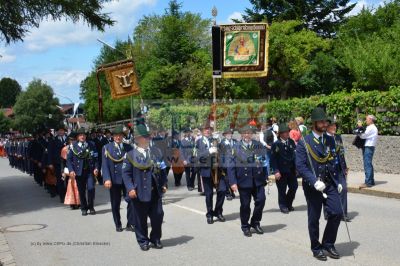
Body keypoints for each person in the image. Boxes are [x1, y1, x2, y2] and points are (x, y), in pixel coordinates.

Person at [296, 107, 342, 261]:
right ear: (314, 123)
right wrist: (314, 181)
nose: (324, 124)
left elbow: (334, 161)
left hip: (330, 183)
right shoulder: (305, 142)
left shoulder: (330, 139)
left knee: (336, 212)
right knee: (314, 219)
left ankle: (328, 243)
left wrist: (339, 180)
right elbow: (301, 166)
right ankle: (316, 247)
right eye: (321, 121)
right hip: (314, 186)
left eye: (325, 121)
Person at [122, 124, 168, 251]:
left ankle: (155, 238)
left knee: (158, 216)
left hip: (155, 191)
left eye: (148, 137)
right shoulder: (130, 155)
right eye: (144, 137)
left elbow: (163, 169)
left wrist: (164, 184)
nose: (147, 139)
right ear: (137, 139)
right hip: (139, 192)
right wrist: (130, 188)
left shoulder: (156, 152)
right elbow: (126, 174)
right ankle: (143, 240)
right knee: (140, 218)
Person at [228, 125, 268, 237]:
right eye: (245, 133)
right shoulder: (235, 147)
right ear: (241, 134)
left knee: (261, 200)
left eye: (249, 133)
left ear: (252, 134)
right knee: (245, 205)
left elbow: (264, 162)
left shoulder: (258, 145)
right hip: (243, 180)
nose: (247, 135)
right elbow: (230, 167)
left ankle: (255, 222)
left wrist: (265, 176)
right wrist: (233, 182)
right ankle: (245, 226)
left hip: (258, 180)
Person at [102, 126, 134, 232]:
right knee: (115, 203)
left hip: (127, 180)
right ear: (113, 137)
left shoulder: (129, 147)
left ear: (123, 136)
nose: (118, 137)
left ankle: (131, 222)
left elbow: (133, 164)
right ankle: (118, 223)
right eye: (116, 135)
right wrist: (107, 179)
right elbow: (105, 165)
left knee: (131, 200)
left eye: (120, 135)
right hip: (114, 179)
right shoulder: (107, 148)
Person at [196, 124, 226, 224]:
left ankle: (218, 211)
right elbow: (198, 156)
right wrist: (208, 151)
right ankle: (209, 214)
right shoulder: (199, 142)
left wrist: (220, 141)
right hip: (206, 171)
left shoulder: (215, 140)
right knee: (209, 194)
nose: (208, 131)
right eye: (206, 129)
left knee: (222, 190)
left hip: (217, 169)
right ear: (202, 131)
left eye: (209, 129)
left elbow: (224, 150)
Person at [67, 128, 99, 216]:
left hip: (90, 171)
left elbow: (96, 158)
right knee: (81, 191)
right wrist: (71, 170)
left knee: (91, 189)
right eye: (80, 135)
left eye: (84, 135)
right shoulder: (73, 146)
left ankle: (91, 206)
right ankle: (83, 207)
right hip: (79, 172)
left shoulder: (91, 144)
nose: (82, 136)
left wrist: (96, 168)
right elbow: (69, 160)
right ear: (77, 137)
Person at [270, 122, 298, 214]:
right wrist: (276, 171)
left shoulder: (291, 142)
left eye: (288, 132)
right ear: (281, 134)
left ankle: (288, 203)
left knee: (294, 187)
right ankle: (283, 206)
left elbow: (294, 156)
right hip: (281, 171)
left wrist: (297, 168)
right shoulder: (276, 144)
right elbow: (273, 159)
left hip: (291, 170)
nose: (287, 133)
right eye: (285, 132)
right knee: (282, 190)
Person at [326, 118, 350, 222]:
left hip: (339, 167)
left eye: (335, 126)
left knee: (343, 189)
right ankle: (328, 212)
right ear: (327, 127)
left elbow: (341, 152)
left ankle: (343, 214)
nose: (334, 127)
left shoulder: (338, 137)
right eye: (332, 126)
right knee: (328, 191)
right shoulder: (324, 138)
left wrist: (344, 167)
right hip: (329, 169)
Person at [48, 126, 67, 203]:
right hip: (58, 162)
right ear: (57, 132)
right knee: (60, 180)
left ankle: (69, 195)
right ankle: (62, 197)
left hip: (68, 162)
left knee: (68, 180)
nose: (61, 132)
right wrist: (50, 163)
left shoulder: (69, 139)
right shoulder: (53, 140)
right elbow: (50, 152)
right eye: (59, 130)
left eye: (62, 130)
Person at [358, 115, 378, 188]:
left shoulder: (371, 128)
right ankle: (371, 181)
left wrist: (359, 129)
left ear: (371, 120)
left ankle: (368, 182)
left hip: (368, 147)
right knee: (369, 164)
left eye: (367, 119)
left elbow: (363, 135)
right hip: (369, 147)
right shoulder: (372, 127)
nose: (366, 121)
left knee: (367, 164)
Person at [219, 127, 237, 201]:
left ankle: (232, 192)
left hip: (235, 163)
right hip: (226, 164)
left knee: (232, 178)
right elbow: (220, 155)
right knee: (226, 179)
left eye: (230, 133)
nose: (229, 135)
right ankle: (228, 193)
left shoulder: (235, 141)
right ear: (225, 135)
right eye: (227, 133)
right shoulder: (222, 143)